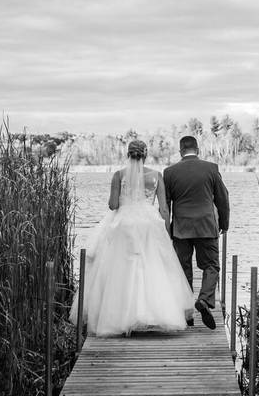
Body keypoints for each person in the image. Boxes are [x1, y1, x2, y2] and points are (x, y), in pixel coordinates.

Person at [70, 139, 194, 336]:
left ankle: (120, 317)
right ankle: (155, 313)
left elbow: (112, 205)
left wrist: (123, 199)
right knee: (151, 265)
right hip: (149, 224)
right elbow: (163, 208)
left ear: (128, 155)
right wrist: (167, 234)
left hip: (125, 224)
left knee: (122, 267)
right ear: (145, 155)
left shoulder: (119, 175)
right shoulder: (156, 176)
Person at [163, 135, 230, 329]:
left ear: (180, 150)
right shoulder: (211, 168)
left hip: (181, 228)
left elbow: (165, 205)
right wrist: (224, 223)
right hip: (206, 226)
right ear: (197, 149)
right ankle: (205, 299)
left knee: (183, 270)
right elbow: (222, 199)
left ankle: (187, 314)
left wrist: (167, 230)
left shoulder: (169, 172)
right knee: (211, 266)